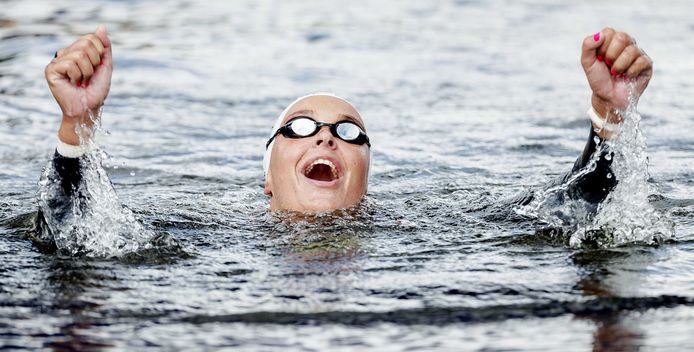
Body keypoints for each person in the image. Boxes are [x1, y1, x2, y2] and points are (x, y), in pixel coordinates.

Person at [36, 26, 652, 240]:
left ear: (366, 180)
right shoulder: (204, 235)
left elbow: (574, 212)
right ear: (268, 178)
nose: (326, 138)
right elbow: (70, 239)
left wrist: (608, 116)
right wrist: (77, 124)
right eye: (300, 128)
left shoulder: (435, 232)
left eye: (347, 132)